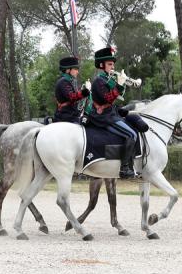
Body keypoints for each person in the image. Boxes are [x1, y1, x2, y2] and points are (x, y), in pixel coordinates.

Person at [87, 47, 138, 179]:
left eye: (113, 64)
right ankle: (124, 168)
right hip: (103, 116)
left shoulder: (108, 79)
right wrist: (119, 85)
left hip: (111, 113)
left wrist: (123, 83)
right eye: (110, 64)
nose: (112, 66)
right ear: (101, 65)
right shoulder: (99, 81)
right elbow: (108, 98)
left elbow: (119, 96)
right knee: (132, 134)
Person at [53, 56, 90, 124]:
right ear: (68, 70)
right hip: (65, 116)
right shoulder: (63, 81)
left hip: (71, 115)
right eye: (75, 69)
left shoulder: (70, 81)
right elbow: (72, 97)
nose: (77, 72)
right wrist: (85, 91)